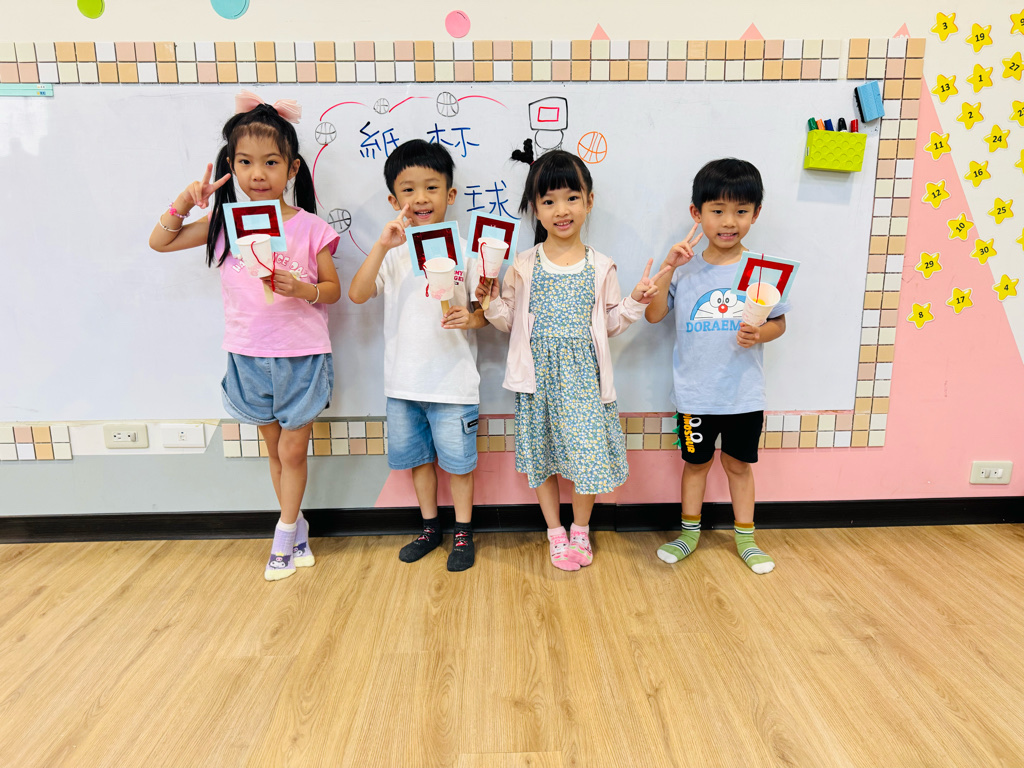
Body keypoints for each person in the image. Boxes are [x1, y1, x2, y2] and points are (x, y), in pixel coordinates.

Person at [150, 91, 341, 581]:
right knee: (275, 452)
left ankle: (283, 538)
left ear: (292, 168)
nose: (258, 173)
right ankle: (296, 528)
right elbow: (161, 241)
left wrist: (302, 289)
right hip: (248, 355)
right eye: (246, 162)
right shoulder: (223, 225)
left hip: (302, 355)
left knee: (293, 452)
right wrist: (186, 200)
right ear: (231, 165)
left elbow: (333, 290)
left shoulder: (310, 227)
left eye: (271, 162)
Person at [478, 150, 667, 571]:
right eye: (548, 201)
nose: (561, 210)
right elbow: (508, 321)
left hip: (584, 378)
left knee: (588, 454)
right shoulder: (522, 265)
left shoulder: (602, 266)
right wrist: (489, 300)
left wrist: (636, 301)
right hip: (537, 377)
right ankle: (554, 531)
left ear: (589, 201)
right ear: (535, 208)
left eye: (571, 198)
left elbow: (611, 323)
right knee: (541, 455)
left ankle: (580, 529)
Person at [644, 158, 789, 574]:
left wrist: (760, 333)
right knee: (696, 465)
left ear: (756, 214)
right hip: (695, 395)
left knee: (739, 466)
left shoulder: (763, 271)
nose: (729, 222)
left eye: (741, 211)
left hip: (743, 395)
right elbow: (654, 315)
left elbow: (779, 322)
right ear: (697, 213)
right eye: (718, 210)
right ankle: (689, 534)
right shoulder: (684, 269)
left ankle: (746, 538)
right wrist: (669, 266)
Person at [348, 140, 485, 572]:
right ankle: (430, 528)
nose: (421, 198)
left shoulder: (468, 250)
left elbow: (486, 312)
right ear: (394, 200)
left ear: (450, 194)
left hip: (454, 383)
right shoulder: (393, 253)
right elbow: (357, 294)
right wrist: (381, 246)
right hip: (403, 384)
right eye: (408, 190)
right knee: (418, 462)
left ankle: (463, 532)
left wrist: (473, 318)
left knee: (459, 466)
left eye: (431, 187)